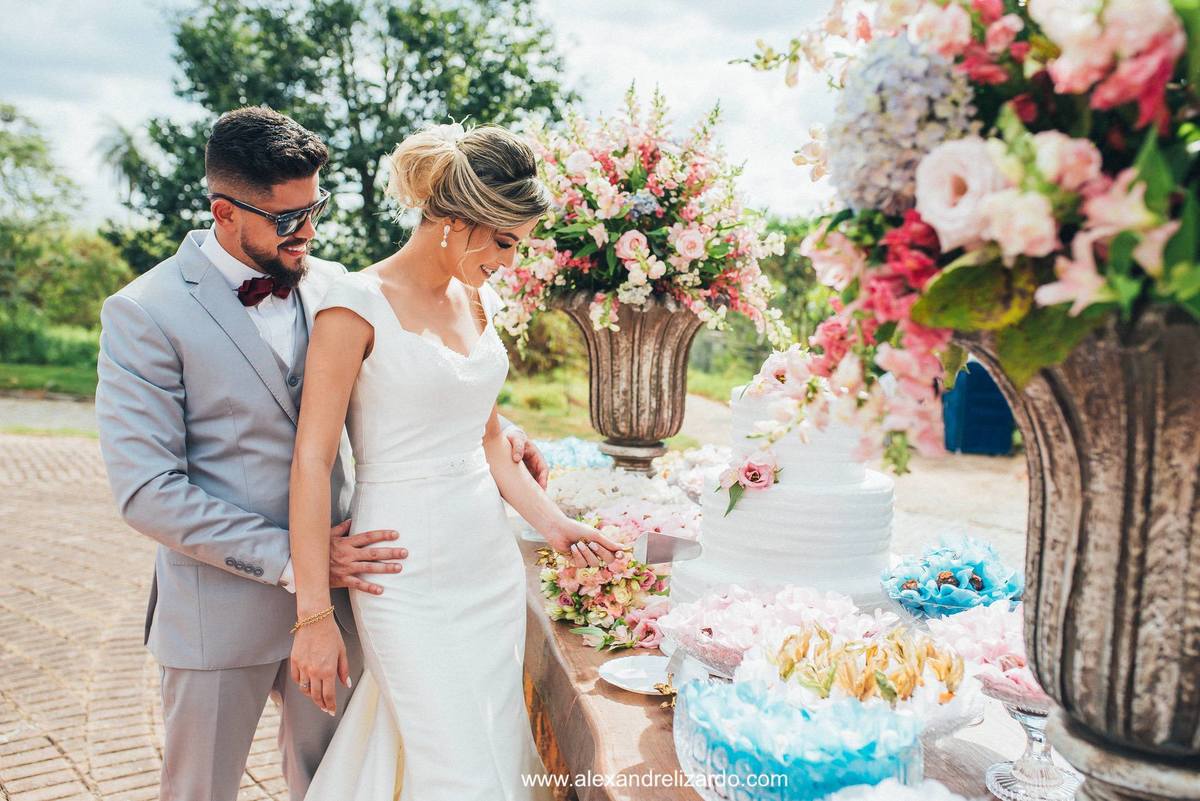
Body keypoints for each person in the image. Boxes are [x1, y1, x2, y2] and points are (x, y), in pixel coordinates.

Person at [95, 106, 548, 801]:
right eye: (287, 219)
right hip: (222, 609)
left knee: (337, 780)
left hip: (355, 595)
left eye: (315, 209)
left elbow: (408, 377)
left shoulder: (340, 285)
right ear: (225, 211)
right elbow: (147, 491)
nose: (308, 231)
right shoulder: (144, 310)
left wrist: (498, 429)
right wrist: (294, 559)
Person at [288, 121, 625, 800]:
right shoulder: (353, 307)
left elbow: (487, 437)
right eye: (502, 241)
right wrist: (314, 615)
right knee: (460, 771)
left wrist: (554, 523)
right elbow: (311, 460)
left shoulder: (479, 298)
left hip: (488, 566)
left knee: (494, 749)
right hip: (405, 578)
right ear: (454, 219)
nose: (508, 260)